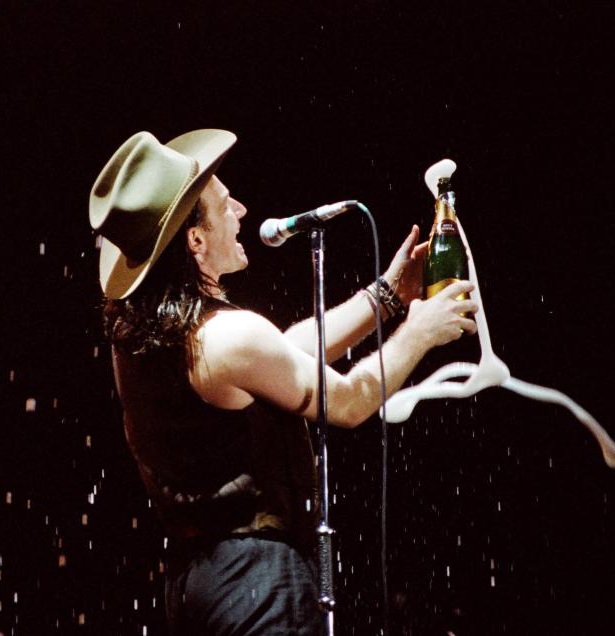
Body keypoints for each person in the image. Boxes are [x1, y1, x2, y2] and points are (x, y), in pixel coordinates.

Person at [89, 129, 477, 635]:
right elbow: (351, 402)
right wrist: (419, 334)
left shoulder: (147, 335)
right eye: (225, 206)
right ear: (196, 240)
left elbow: (280, 354)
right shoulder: (228, 337)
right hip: (257, 580)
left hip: (197, 584)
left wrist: (384, 296)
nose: (242, 211)